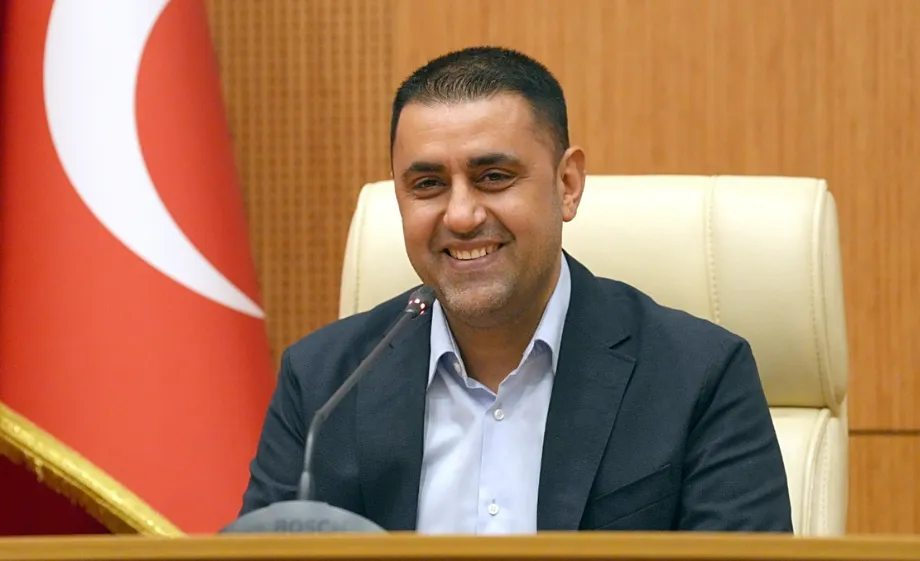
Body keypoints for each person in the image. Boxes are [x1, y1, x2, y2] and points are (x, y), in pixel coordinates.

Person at [238, 46, 793, 534]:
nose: (460, 215)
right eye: (428, 184)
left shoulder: (698, 376)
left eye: (494, 177)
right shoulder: (324, 386)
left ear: (567, 185)